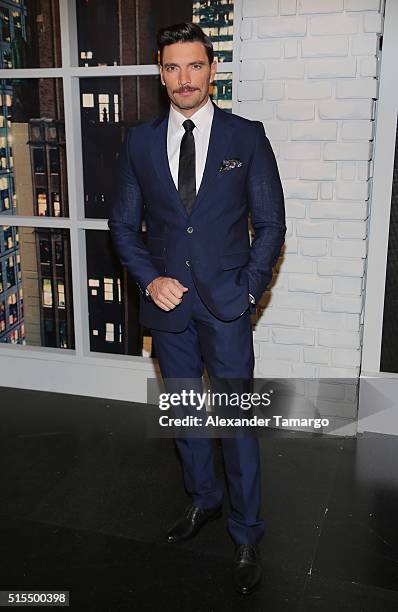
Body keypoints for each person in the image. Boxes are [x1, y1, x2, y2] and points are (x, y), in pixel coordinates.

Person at [108, 22, 286, 595]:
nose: (184, 78)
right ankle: (204, 501)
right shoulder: (139, 141)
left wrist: (250, 288)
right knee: (185, 416)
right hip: (169, 307)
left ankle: (246, 530)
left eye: (194, 66)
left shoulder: (246, 137)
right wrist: (149, 279)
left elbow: (272, 223)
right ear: (161, 74)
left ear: (212, 69)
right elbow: (123, 226)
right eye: (171, 68)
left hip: (227, 305)